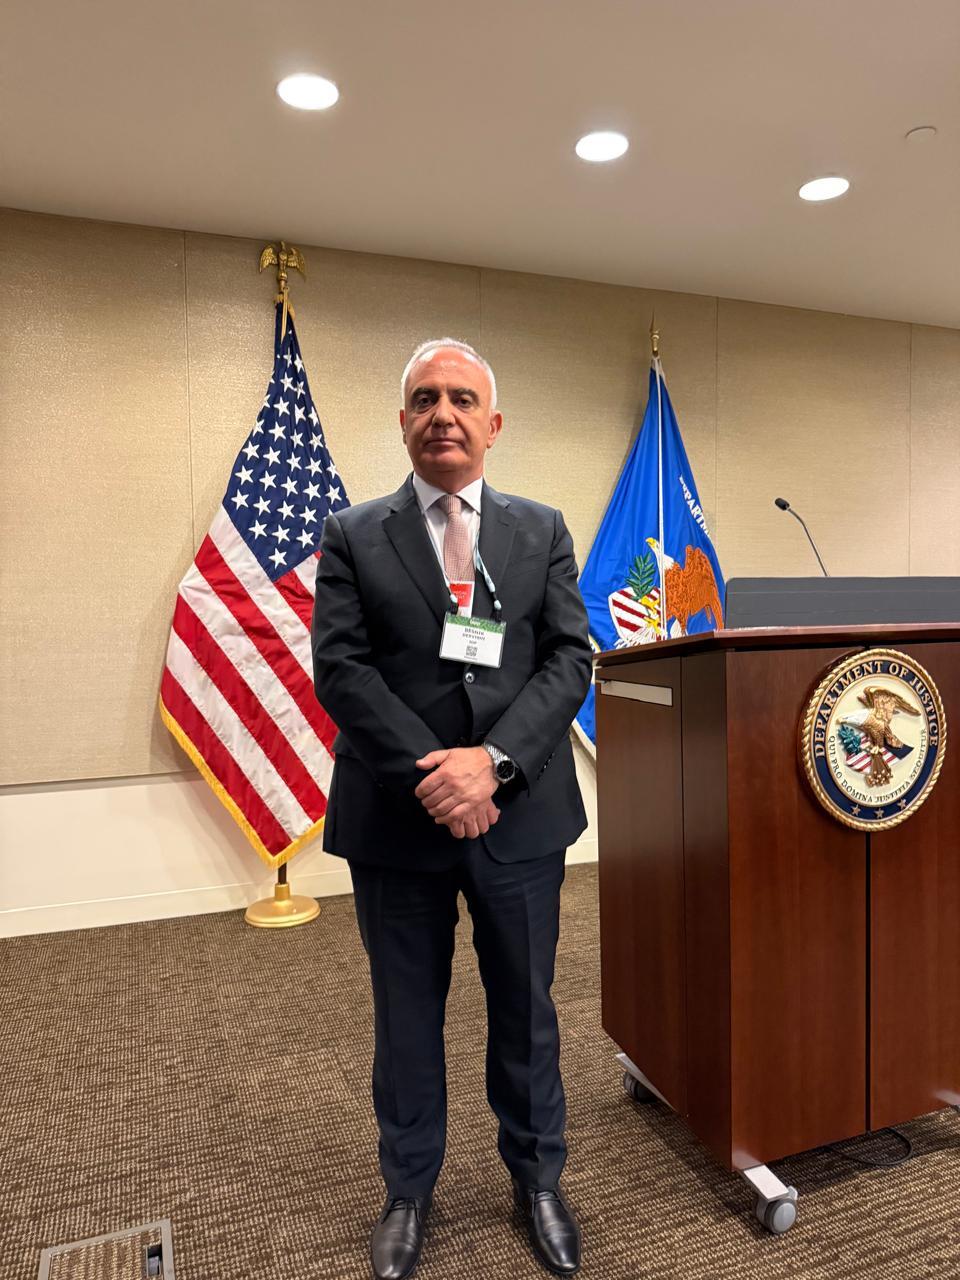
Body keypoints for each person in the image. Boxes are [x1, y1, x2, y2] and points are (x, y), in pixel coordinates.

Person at [312, 337, 592, 1279]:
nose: (444, 414)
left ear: (493, 423)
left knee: (527, 1008)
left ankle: (538, 1181)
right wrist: (439, 775)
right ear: (402, 422)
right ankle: (407, 1190)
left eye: (463, 399)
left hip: (522, 816)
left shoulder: (541, 529)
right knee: (405, 1016)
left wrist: (495, 766)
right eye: (426, 398)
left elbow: (569, 659)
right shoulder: (353, 533)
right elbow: (341, 670)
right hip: (398, 819)